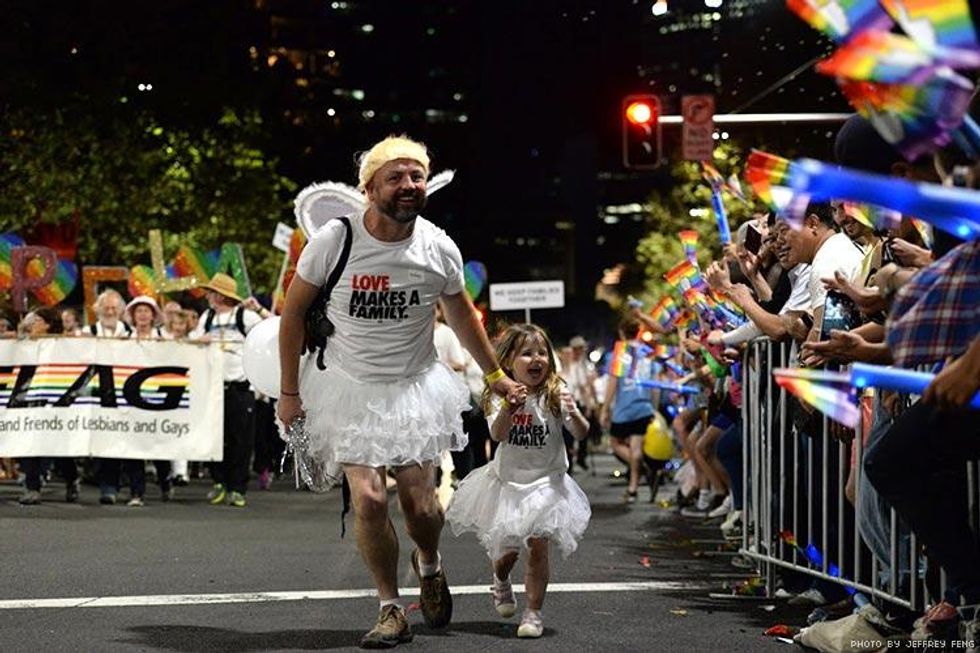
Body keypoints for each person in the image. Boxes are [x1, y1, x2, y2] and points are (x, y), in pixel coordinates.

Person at [277, 135, 524, 649]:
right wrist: (288, 392)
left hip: (414, 387)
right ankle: (390, 608)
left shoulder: (438, 245)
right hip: (348, 387)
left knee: (422, 508)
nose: (409, 185)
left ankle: (429, 563)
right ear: (369, 188)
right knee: (368, 501)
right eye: (396, 177)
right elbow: (293, 313)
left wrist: (496, 375)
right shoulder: (333, 241)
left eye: (416, 176)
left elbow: (461, 315)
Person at [446, 323, 591, 638]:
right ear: (509, 360)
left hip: (546, 485)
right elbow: (498, 435)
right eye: (527, 353)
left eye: (542, 353)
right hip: (509, 485)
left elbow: (581, 434)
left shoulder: (556, 393)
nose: (537, 359)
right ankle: (500, 579)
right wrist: (510, 409)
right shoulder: (500, 395)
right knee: (508, 554)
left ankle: (533, 613)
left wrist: (575, 415)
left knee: (538, 548)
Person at [190, 273, 265, 508]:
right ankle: (219, 482)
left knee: (241, 439)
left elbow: (273, 329)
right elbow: (193, 339)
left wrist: (260, 309)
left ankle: (237, 487)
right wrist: (198, 340)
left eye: (212, 292)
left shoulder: (246, 316)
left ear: (221, 295)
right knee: (215, 438)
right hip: (213, 388)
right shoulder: (207, 316)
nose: (209, 296)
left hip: (240, 388)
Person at [17, 307, 81, 505]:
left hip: (54, 402)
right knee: (29, 444)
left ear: (47, 324)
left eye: (36, 320)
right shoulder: (24, 346)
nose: (32, 324)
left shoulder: (61, 346)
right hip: (29, 401)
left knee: (57, 447)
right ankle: (32, 487)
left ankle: (72, 479)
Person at [600, 318, 656, 504]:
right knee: (636, 446)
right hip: (644, 405)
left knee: (616, 443)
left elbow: (613, 382)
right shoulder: (647, 353)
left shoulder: (620, 353)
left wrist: (605, 408)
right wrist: (653, 407)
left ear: (622, 333)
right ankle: (633, 487)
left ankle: (643, 470)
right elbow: (654, 384)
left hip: (625, 407)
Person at [86, 288, 133, 504]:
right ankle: (107, 484)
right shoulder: (88, 332)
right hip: (98, 391)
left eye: (114, 307)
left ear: (121, 310)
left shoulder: (131, 334)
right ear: (98, 309)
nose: (110, 311)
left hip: (126, 391)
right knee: (103, 439)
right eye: (106, 307)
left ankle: (121, 485)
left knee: (124, 438)